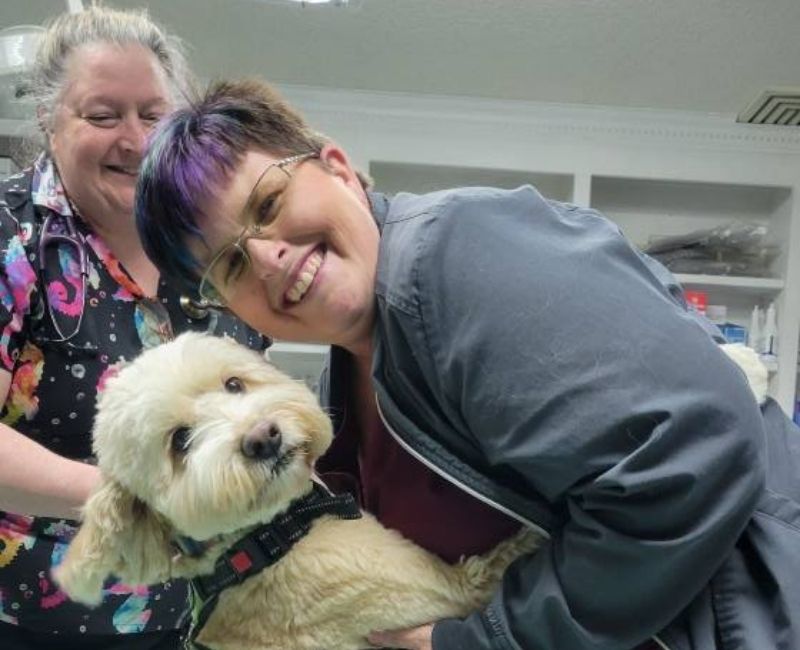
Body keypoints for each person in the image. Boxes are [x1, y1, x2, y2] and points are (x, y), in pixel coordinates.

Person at [134, 78, 800, 650]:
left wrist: (488, 638)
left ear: (337, 167)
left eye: (269, 204)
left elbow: (685, 456)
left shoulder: (457, 255)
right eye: (232, 264)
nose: (268, 258)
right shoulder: (350, 372)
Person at [0, 10, 266, 650]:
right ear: (49, 119)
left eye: (153, 115)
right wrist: (141, 498)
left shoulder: (214, 245)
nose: (135, 140)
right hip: (27, 619)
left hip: (189, 615)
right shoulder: (15, 235)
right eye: (102, 116)